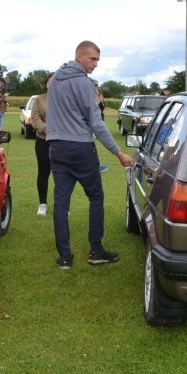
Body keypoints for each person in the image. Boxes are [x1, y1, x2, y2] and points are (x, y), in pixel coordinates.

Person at [46, 40, 134, 269]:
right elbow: (96, 123)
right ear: (79, 57)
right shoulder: (83, 83)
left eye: (97, 60)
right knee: (96, 197)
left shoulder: (55, 79)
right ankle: (96, 250)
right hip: (80, 148)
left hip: (56, 147)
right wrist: (118, 153)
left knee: (60, 204)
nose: (95, 64)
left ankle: (64, 257)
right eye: (92, 59)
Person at [32, 73, 54, 216]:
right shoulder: (39, 99)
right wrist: (47, 129)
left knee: (62, 175)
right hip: (43, 140)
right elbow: (35, 117)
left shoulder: (66, 99)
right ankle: (42, 203)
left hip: (61, 142)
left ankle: (63, 205)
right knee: (43, 172)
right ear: (46, 84)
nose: (52, 84)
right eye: (49, 81)